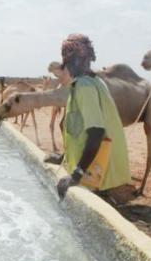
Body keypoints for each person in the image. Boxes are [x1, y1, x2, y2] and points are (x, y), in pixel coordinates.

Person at [56, 34, 130, 199]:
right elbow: (78, 129)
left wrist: (76, 175)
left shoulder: (84, 87)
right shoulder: (94, 81)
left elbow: (96, 132)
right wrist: (63, 158)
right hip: (94, 170)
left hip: (94, 175)